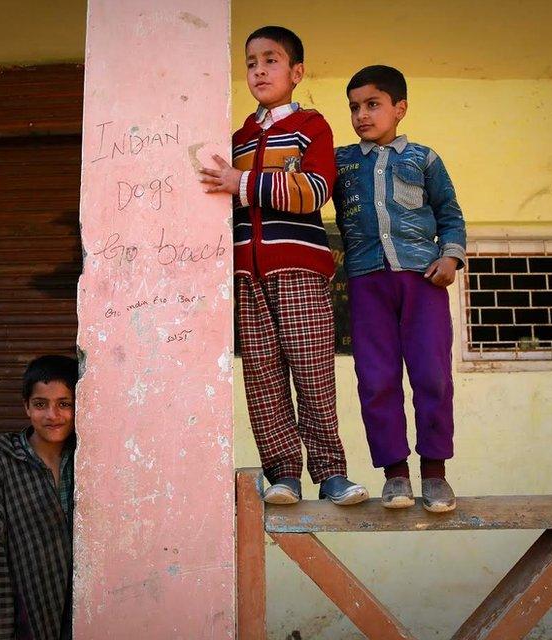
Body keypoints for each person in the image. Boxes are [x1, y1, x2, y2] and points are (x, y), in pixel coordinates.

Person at [200, 26, 367, 505]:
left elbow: (313, 190)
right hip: (246, 274)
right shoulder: (236, 138)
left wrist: (241, 182)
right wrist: (244, 181)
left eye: (270, 60)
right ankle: (284, 476)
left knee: (313, 372)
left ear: (297, 72)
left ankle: (332, 473)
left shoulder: (312, 126)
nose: (258, 70)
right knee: (262, 377)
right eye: (251, 62)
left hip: (298, 267)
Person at [334, 65, 467, 513]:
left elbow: (450, 212)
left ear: (400, 108)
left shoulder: (424, 159)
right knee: (375, 378)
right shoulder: (342, 161)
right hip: (368, 281)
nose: (361, 115)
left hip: (422, 280)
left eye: (372, 104)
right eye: (354, 107)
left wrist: (450, 256)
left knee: (432, 374)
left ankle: (434, 472)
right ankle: (395, 474)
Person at [0, 355, 78, 639]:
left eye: (64, 404)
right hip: (26, 617)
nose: (52, 415)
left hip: (81, 613)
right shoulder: (3, 465)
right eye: (41, 404)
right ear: (26, 406)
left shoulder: (87, 463)